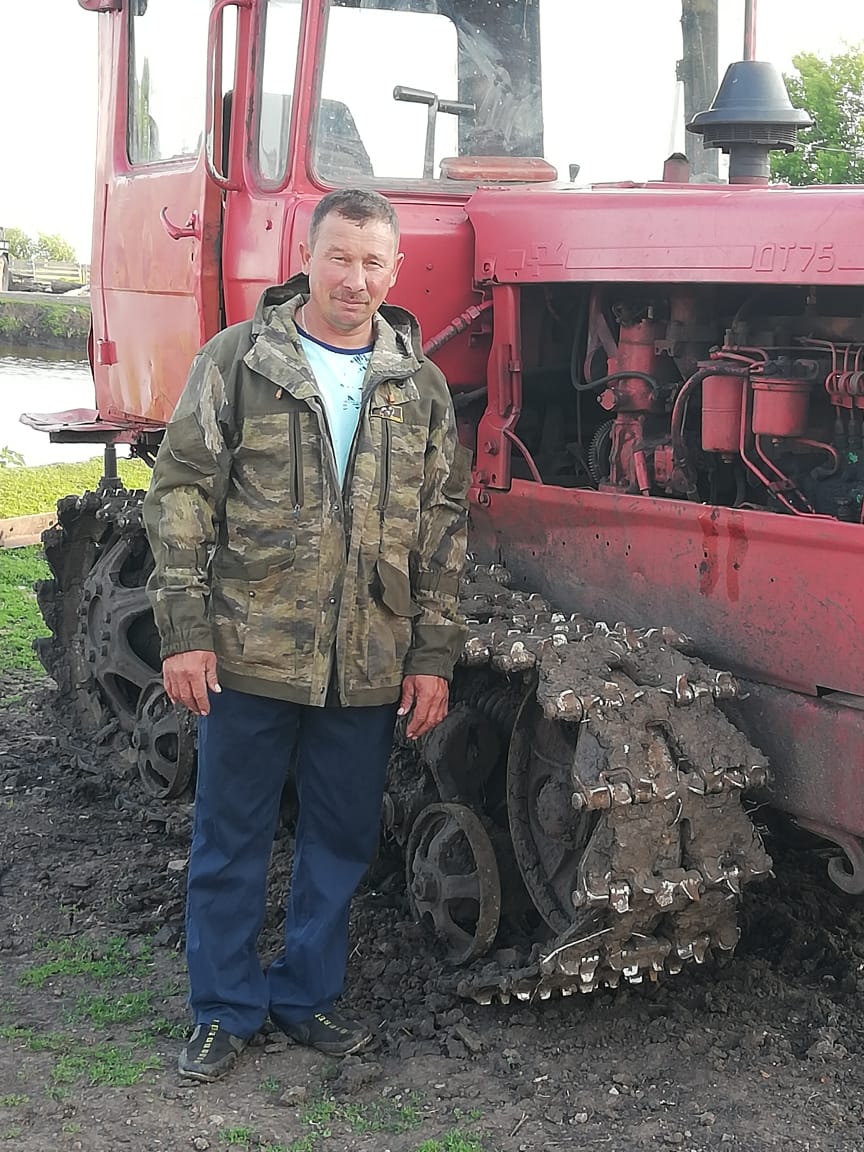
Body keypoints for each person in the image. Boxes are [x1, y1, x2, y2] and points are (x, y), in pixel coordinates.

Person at [142, 189, 470, 1083]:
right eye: (339, 257)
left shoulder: (418, 386)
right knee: (230, 838)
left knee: (340, 840)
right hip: (248, 650)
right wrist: (184, 629)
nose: (354, 279)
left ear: (396, 269)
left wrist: (431, 654)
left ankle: (305, 995)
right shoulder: (241, 360)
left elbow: (442, 527)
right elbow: (181, 495)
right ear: (307, 258)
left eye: (372, 262)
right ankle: (223, 1009)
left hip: (366, 659)